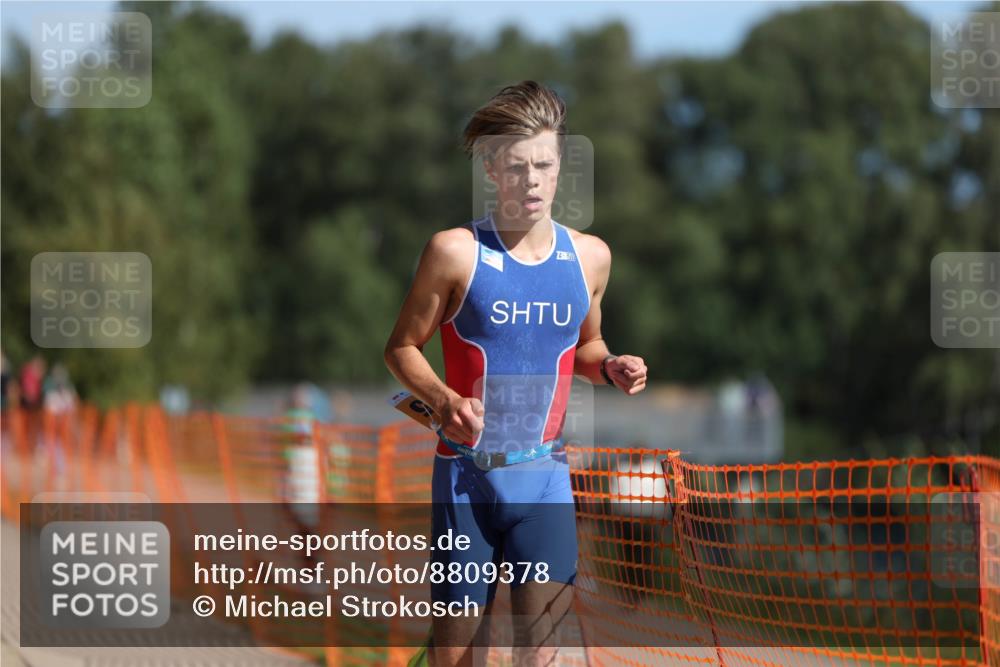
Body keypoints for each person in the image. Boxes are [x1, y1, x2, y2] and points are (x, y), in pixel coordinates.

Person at [384, 80, 648, 667]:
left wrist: (610, 365)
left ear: (561, 168)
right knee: (460, 658)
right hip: (466, 480)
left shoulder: (591, 257)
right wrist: (445, 400)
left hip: (545, 478)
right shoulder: (454, 252)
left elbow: (585, 346)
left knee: (540, 654)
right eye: (517, 166)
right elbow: (401, 348)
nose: (532, 180)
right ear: (492, 170)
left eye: (544, 165)